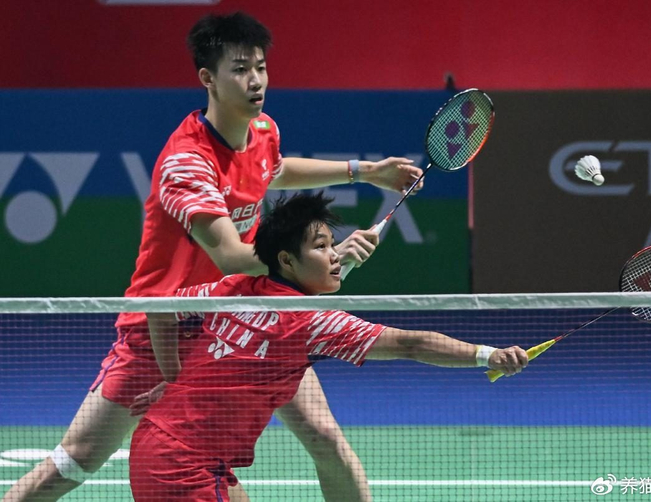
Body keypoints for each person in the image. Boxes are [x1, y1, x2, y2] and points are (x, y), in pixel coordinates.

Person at [3, 12, 423, 502]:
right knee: (77, 459)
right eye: (240, 69)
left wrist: (364, 171)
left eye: (260, 67)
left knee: (324, 436)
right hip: (163, 324)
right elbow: (231, 256)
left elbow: (272, 169)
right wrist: (320, 259)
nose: (255, 80)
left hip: (240, 320)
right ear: (208, 78)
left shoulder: (262, 130)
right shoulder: (188, 162)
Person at [128, 192, 528, 501]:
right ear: (286, 260)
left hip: (160, 444)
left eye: (332, 245)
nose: (335, 256)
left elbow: (161, 310)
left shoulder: (232, 290)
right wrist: (487, 355)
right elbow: (410, 344)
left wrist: (175, 381)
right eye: (321, 247)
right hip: (183, 467)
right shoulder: (313, 322)